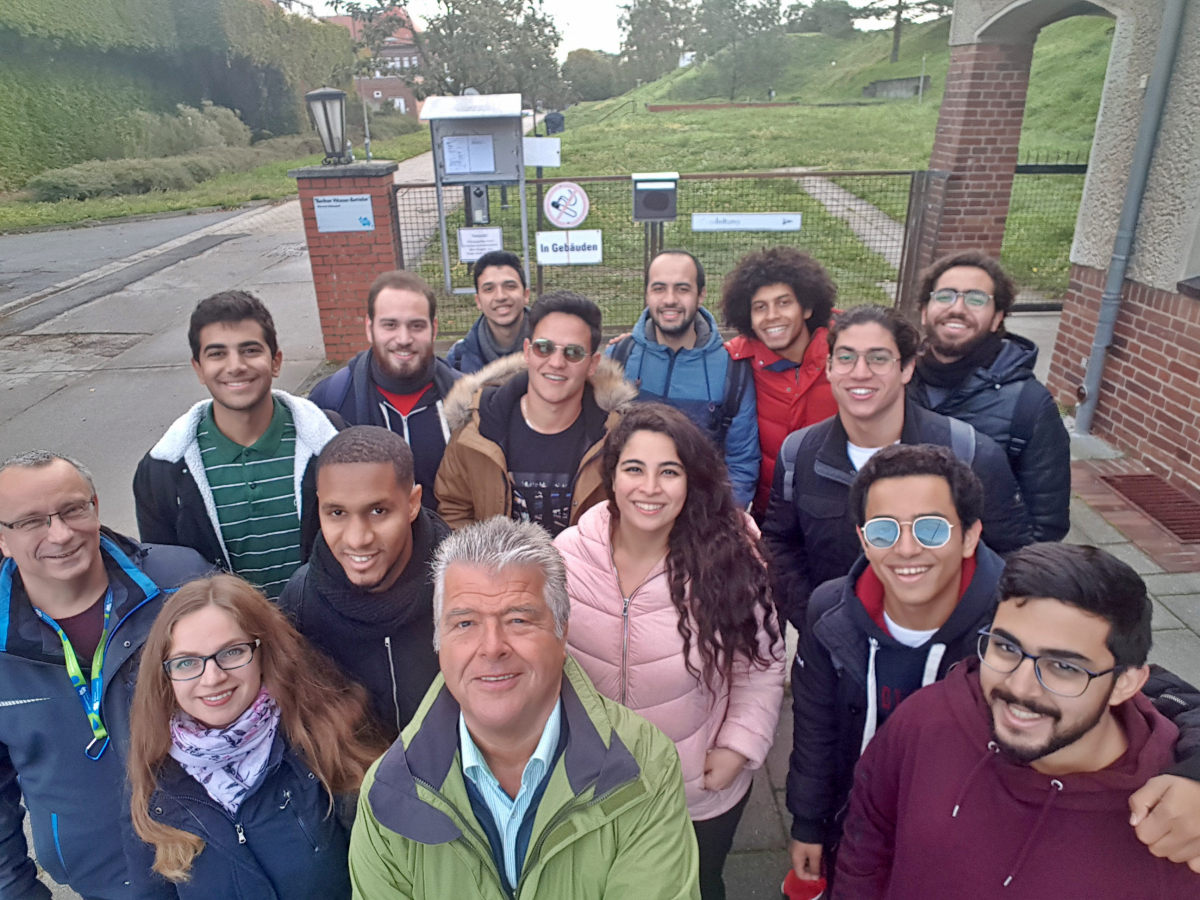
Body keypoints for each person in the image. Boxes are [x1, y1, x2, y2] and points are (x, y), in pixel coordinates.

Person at [348, 516, 701, 899]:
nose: (492, 646)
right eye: (465, 623)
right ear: (439, 642)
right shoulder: (390, 794)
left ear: (562, 631)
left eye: (518, 619)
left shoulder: (643, 766)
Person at [835, 543, 1200, 896]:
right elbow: (868, 837)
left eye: (1063, 666)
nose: (1019, 687)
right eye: (1007, 648)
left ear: (1125, 684)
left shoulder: (1178, 826)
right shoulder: (927, 719)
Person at [555, 403, 785, 900]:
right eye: (634, 469)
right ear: (611, 477)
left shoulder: (731, 559)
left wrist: (737, 748)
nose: (650, 487)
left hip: (696, 790)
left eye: (669, 471)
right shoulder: (567, 556)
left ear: (691, 480)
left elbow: (761, 665)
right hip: (594, 788)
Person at [0, 450, 210, 898]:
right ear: (2, 539)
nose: (60, 534)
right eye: (31, 521)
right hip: (104, 881)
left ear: (95, 506)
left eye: (73, 509)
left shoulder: (183, 582)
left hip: (216, 861)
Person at [763, 304, 1033, 631]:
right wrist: (818, 618)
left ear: (906, 369)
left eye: (878, 358)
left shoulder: (970, 454)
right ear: (830, 369)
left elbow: (1010, 555)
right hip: (837, 647)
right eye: (846, 358)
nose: (860, 372)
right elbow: (780, 544)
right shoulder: (799, 454)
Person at [125, 574, 385, 898]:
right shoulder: (155, 786)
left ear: (264, 652)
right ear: (165, 675)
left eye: (232, 652)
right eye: (187, 662)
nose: (213, 677)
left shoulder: (326, 745)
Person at [134, 290, 337, 599]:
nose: (235, 365)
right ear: (199, 368)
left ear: (276, 361)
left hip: (323, 634)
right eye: (217, 354)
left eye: (250, 350)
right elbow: (166, 581)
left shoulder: (332, 442)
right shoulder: (162, 471)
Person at [279, 426, 448, 742]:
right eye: (337, 513)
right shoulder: (301, 600)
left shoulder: (462, 587)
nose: (358, 539)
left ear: (412, 503)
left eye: (378, 511)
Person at [435, 291, 635, 536]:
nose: (556, 363)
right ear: (527, 351)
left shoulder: (617, 438)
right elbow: (454, 509)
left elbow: (628, 520)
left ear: (592, 363)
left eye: (573, 353)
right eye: (544, 348)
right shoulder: (476, 429)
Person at [909, 250, 1070, 541]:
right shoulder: (895, 382)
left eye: (976, 299)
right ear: (924, 311)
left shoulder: (1029, 405)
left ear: (997, 318)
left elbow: (1046, 526)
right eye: (945, 296)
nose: (957, 308)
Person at [608, 250, 759, 508]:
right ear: (647, 294)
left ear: (700, 295)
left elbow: (742, 460)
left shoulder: (731, 370)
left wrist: (723, 519)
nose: (670, 299)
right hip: (631, 512)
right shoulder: (619, 357)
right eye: (659, 288)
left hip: (701, 519)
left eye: (682, 289)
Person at [307, 270, 462, 511]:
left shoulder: (467, 401)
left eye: (416, 326)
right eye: (390, 325)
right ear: (369, 328)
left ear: (434, 328)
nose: (403, 338)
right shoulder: (331, 400)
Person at [722, 246, 838, 515]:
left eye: (784, 303)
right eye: (760, 307)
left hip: (833, 512)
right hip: (768, 514)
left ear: (807, 307)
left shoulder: (846, 357)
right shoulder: (736, 361)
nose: (772, 315)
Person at [446, 250, 532, 373]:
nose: (500, 296)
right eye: (489, 289)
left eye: (510, 286)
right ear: (478, 301)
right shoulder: (457, 359)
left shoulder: (555, 351)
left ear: (526, 295)